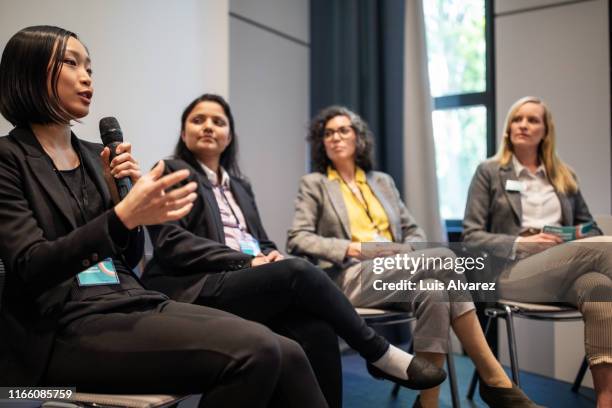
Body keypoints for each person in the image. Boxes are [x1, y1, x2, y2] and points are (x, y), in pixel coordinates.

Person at [0, 25, 330, 408]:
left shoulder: (95, 155)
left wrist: (123, 207)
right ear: (28, 71)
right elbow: (29, 266)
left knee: (287, 350)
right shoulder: (8, 159)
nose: (86, 76)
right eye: (70, 63)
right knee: (255, 352)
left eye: (89, 65)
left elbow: (126, 255)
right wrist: (122, 215)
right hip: (60, 327)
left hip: (126, 301)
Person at [141, 93, 448, 408]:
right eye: (198, 120)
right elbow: (171, 243)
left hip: (240, 282)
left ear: (229, 136)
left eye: (218, 122)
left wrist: (269, 255)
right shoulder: (171, 172)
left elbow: (262, 241)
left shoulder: (240, 187)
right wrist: (248, 260)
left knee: (318, 331)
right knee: (299, 270)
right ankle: (378, 352)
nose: (208, 127)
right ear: (183, 132)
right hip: (197, 285)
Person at [286, 105, 539, 407]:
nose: (335, 138)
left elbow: (413, 231)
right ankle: (494, 378)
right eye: (328, 134)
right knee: (445, 257)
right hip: (349, 275)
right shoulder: (314, 184)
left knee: (436, 292)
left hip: (395, 269)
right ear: (321, 143)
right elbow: (298, 238)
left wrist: (403, 251)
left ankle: (427, 403)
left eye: (343, 130)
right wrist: (353, 248)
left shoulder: (382, 182)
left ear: (359, 139)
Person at [463, 95, 612, 407]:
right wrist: (520, 242)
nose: (523, 125)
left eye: (532, 120)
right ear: (508, 127)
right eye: (517, 119)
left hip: (565, 268)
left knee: (601, 290)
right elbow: (471, 236)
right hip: (513, 273)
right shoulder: (489, 172)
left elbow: (591, 231)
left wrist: (570, 239)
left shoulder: (564, 176)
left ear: (546, 130)